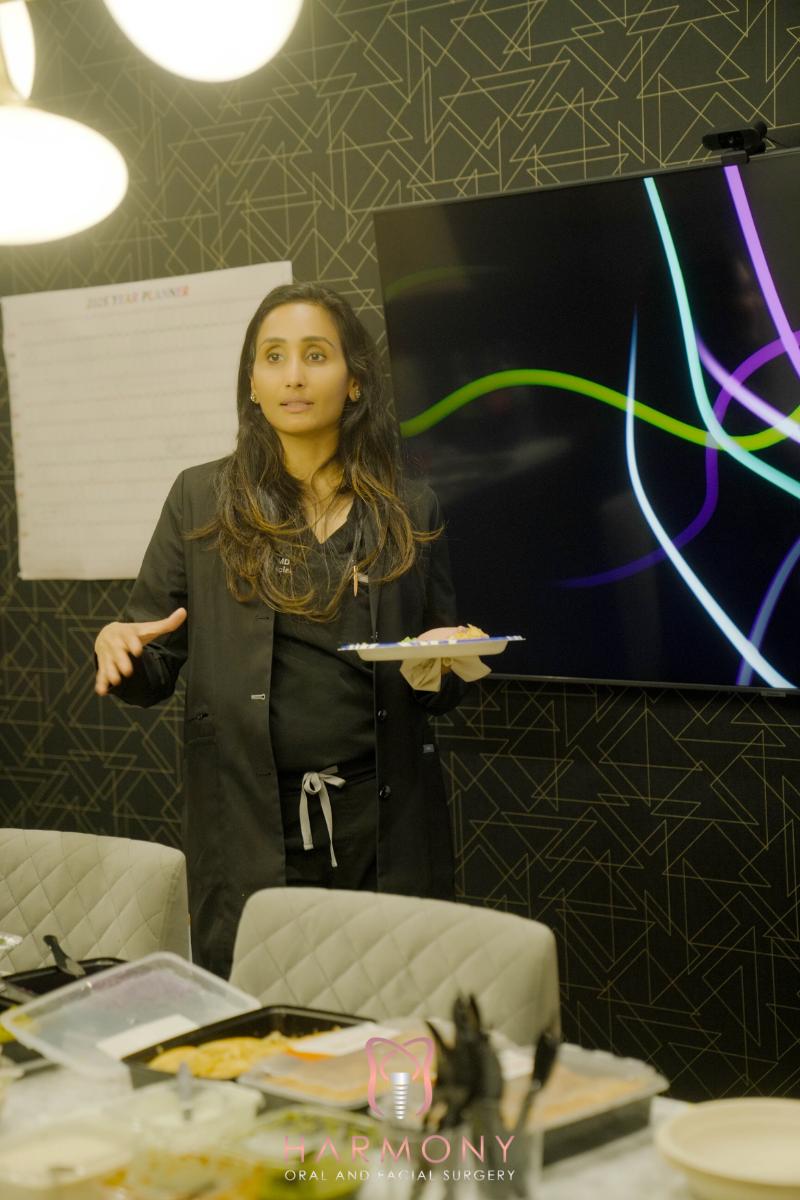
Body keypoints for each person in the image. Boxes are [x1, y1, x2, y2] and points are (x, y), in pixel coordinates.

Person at [94, 282, 476, 977]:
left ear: (354, 380)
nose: (294, 375)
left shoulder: (409, 508)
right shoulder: (200, 498)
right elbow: (153, 661)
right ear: (252, 381)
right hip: (247, 823)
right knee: (259, 1028)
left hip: (382, 826)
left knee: (387, 1019)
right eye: (273, 356)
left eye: (315, 355)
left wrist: (442, 664)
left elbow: (436, 689)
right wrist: (121, 649)